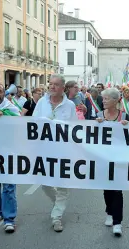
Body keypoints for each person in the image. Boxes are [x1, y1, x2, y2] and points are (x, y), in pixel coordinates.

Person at [32, 74, 77, 232]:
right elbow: (33, 123)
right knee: (45, 184)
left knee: (63, 185)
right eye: (50, 84)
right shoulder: (42, 102)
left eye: (56, 84)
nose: (52, 87)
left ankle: (56, 217)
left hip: (63, 151)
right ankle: (58, 203)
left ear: (62, 87)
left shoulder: (69, 105)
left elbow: (74, 128)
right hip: (44, 150)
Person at [96, 88, 129, 237]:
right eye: (103, 99)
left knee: (117, 190)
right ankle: (109, 212)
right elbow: (90, 137)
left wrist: (128, 126)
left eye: (106, 99)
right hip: (103, 159)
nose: (103, 101)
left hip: (119, 159)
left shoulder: (124, 116)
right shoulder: (98, 115)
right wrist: (96, 125)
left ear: (116, 101)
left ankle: (117, 222)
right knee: (107, 189)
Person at [0, 83, 20, 233]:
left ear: (4, 93)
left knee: (8, 186)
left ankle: (9, 219)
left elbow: (19, 119)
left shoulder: (11, 107)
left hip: (9, 153)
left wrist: (4, 114)